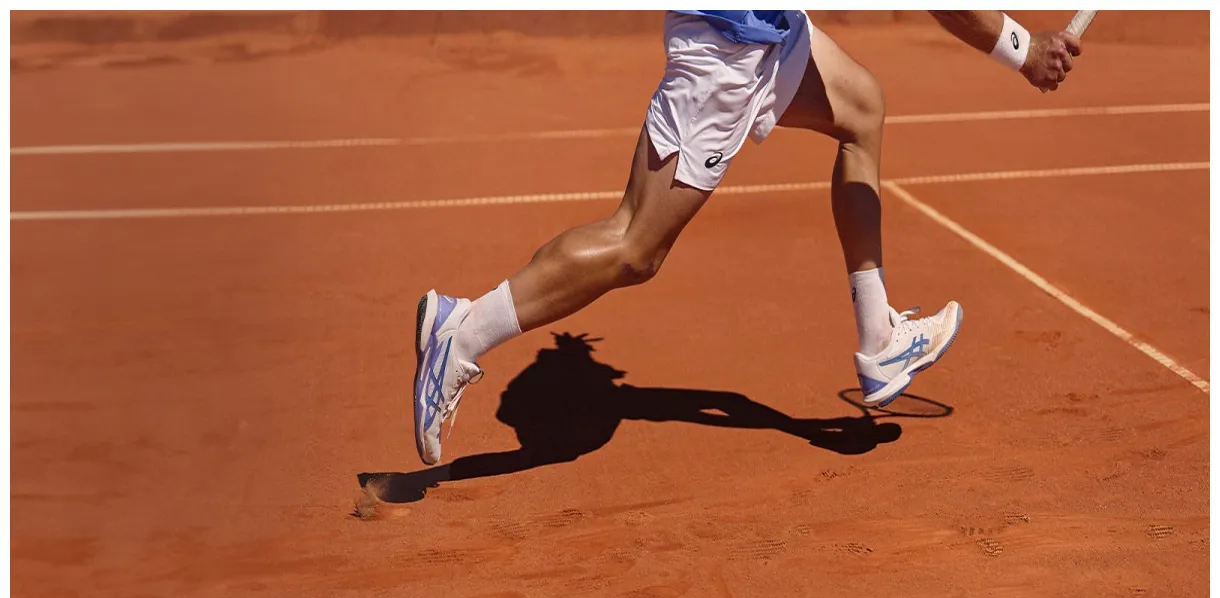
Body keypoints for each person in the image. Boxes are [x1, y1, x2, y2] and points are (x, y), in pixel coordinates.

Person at [413, 10, 1082, 466]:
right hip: (727, 50)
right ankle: (462, 332)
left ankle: (880, 336)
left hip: (768, 28)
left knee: (861, 106)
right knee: (634, 246)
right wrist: (1024, 50)